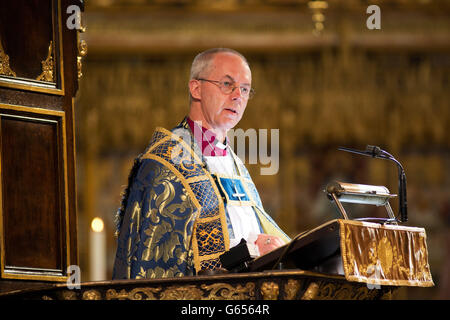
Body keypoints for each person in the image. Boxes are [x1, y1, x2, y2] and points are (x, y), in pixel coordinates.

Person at [113, 48, 290, 279]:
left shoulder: (236, 166)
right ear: (196, 88)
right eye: (227, 85)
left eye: (245, 89)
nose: (238, 96)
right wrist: (254, 250)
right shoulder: (166, 162)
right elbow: (163, 265)